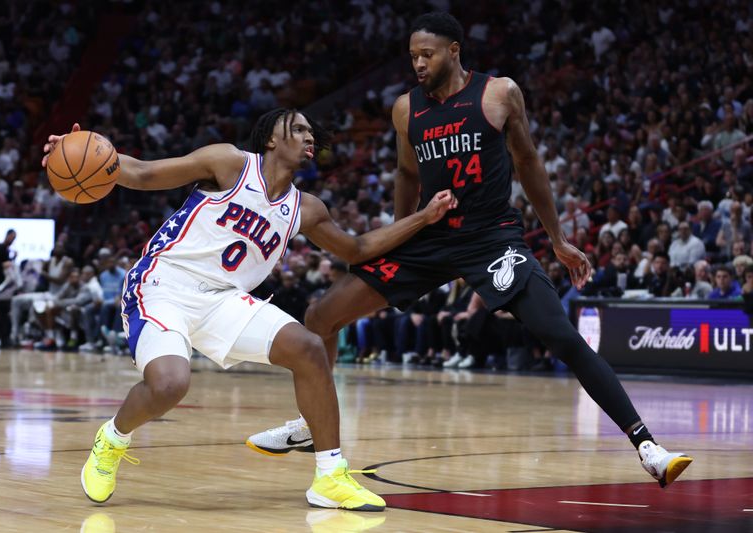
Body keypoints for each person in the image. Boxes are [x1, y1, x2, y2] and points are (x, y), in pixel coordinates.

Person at [248, 12, 692, 489]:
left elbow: (527, 162)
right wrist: (401, 232)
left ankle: (648, 448)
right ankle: (307, 427)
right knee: (320, 316)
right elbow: (406, 175)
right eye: (413, 56)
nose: (418, 63)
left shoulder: (499, 93)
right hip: (430, 237)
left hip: (491, 239)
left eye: (427, 54)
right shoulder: (405, 109)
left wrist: (558, 238)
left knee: (561, 336)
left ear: (454, 50)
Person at [42, 110, 456, 510]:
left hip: (224, 299)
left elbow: (358, 249)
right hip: (163, 284)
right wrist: (84, 151)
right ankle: (112, 439)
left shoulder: (305, 208)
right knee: (169, 385)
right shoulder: (229, 162)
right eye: (298, 129)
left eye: (311, 132)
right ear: (272, 139)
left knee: (310, 348)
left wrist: (423, 217)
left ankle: (330, 477)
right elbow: (144, 173)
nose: (309, 137)